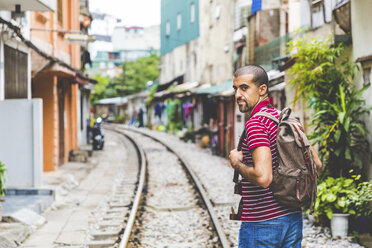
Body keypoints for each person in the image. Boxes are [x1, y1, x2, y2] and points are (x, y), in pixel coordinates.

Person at [229, 65, 322, 248]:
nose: (238, 94)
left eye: (244, 88)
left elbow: (264, 178)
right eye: (236, 89)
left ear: (262, 89)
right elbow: (316, 165)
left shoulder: (256, 124)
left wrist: (236, 163)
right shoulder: (284, 119)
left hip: (262, 224)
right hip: (293, 220)